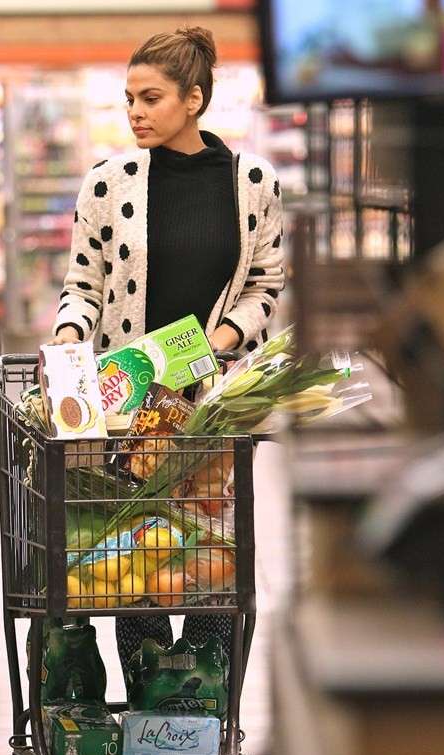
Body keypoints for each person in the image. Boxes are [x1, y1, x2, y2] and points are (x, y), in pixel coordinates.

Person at [50, 26, 284, 689]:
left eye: (151, 98)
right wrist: (71, 335)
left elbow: (268, 283)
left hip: (213, 403)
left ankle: (199, 714)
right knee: (141, 566)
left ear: (194, 98)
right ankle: (153, 709)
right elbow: (82, 283)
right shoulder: (106, 183)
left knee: (211, 563)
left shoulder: (252, 183)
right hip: (132, 407)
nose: (135, 112)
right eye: (129, 98)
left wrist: (220, 342)